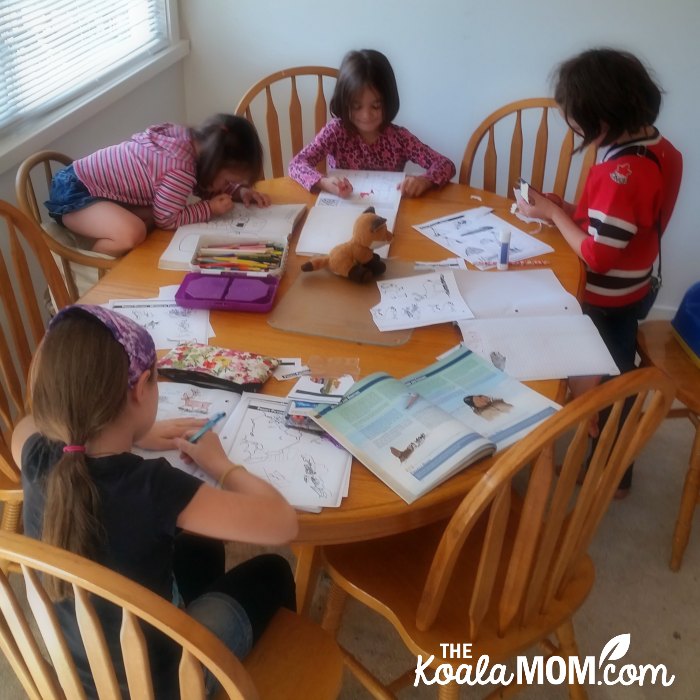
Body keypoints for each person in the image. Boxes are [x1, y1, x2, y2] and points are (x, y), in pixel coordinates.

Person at [11, 305, 298, 698]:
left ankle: (187, 609)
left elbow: (28, 424)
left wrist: (128, 432)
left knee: (200, 543)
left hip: (76, 678)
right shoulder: (154, 487)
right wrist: (222, 465)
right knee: (273, 572)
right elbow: (282, 522)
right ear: (142, 387)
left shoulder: (37, 454)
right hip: (161, 686)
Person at [515, 48, 683, 497]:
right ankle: (594, 420)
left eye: (573, 117)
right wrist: (566, 210)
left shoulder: (623, 172)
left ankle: (613, 471)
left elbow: (597, 255)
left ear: (602, 119)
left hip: (610, 295)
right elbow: (620, 225)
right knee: (610, 369)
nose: (570, 124)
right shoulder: (660, 149)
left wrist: (553, 212)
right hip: (637, 280)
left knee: (611, 382)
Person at [45, 114, 271, 256]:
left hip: (93, 186)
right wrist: (209, 209)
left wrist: (240, 192)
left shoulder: (189, 142)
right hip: (75, 193)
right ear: (213, 163)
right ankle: (90, 266)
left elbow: (203, 181)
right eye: (229, 181)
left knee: (150, 219)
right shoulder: (179, 168)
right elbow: (168, 219)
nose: (227, 186)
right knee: (133, 232)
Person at [288, 49, 455, 198]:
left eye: (375, 106)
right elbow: (296, 165)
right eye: (356, 106)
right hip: (342, 208)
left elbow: (445, 164)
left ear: (388, 102)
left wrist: (424, 180)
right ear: (344, 102)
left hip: (388, 215)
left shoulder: (400, 138)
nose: (366, 115)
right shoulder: (336, 131)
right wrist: (323, 182)